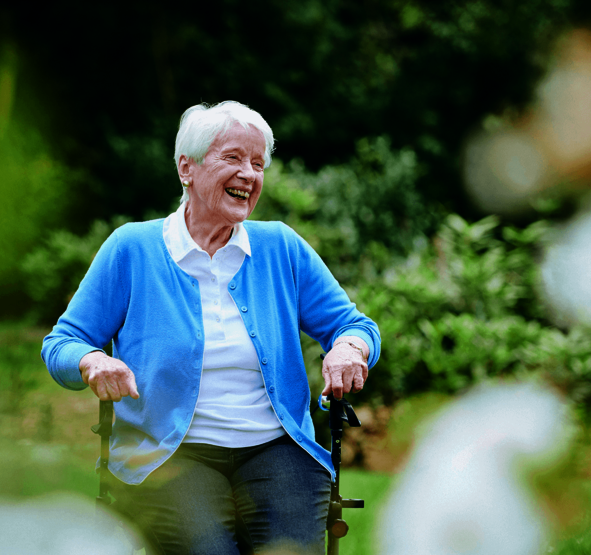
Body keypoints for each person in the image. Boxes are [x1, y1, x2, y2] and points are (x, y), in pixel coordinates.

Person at [41, 101, 380, 555]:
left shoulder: (280, 247)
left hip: (276, 448)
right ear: (187, 167)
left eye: (258, 164)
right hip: (171, 453)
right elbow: (63, 342)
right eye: (234, 158)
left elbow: (353, 325)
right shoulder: (132, 249)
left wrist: (349, 348)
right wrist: (90, 360)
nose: (250, 174)